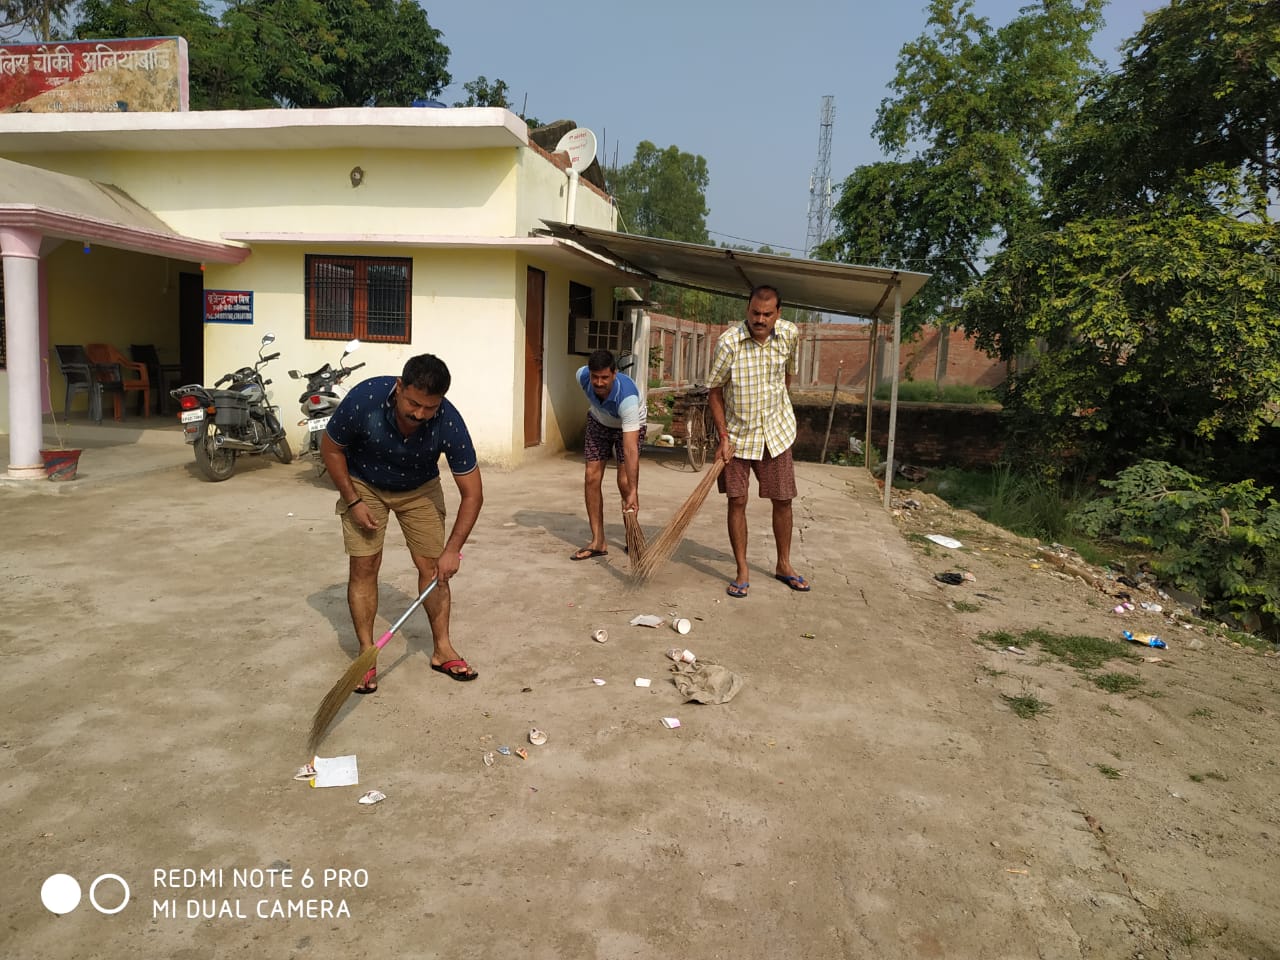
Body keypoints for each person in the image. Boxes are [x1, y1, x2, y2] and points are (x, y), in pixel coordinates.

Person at [320, 353, 484, 690]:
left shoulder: (449, 421)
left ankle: (442, 649)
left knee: (433, 568)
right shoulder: (364, 401)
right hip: (364, 484)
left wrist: (453, 550)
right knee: (365, 566)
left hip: (419, 489)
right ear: (399, 388)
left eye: (430, 407)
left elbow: (473, 494)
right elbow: (331, 449)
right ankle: (366, 653)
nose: (420, 414)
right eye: (413, 403)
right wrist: (353, 501)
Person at [707, 285, 811, 598]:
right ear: (747, 310)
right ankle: (742, 569)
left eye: (767, 314)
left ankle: (784, 565)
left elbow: (787, 377)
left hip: (776, 435)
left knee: (783, 500)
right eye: (755, 313)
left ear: (778, 314)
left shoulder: (790, 335)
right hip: (737, 438)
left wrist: (777, 408)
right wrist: (723, 436)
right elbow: (714, 392)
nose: (760, 319)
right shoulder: (729, 343)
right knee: (737, 501)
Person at [570, 348, 646, 560]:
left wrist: (633, 490)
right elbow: (590, 385)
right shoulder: (581, 375)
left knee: (624, 481)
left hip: (628, 426)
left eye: (605, 377)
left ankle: (632, 537)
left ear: (614, 373)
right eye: (595, 377)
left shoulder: (627, 398)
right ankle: (598, 541)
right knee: (591, 477)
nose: (600, 383)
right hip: (599, 422)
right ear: (589, 373)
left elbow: (630, 449)